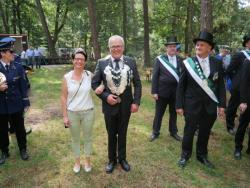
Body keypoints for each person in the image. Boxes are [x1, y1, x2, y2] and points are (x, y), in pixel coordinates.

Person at [92, 35, 142, 174]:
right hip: (109, 106)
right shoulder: (102, 63)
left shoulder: (131, 62)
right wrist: (105, 96)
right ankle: (111, 160)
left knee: (123, 132)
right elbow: (94, 83)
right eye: (113, 46)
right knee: (111, 134)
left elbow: (137, 84)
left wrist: (136, 102)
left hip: (126, 105)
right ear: (109, 48)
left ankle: (122, 159)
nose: (116, 49)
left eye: (118, 46)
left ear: (123, 47)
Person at [176, 31, 226, 168]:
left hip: (210, 105)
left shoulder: (217, 63)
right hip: (192, 105)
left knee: (204, 131)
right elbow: (181, 86)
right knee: (189, 131)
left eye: (201, 45)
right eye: (197, 45)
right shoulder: (188, 63)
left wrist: (222, 105)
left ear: (209, 48)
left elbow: (220, 86)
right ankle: (185, 155)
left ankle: (201, 155)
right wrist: (179, 105)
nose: (198, 47)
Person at [61, 48, 95, 173]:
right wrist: (65, 116)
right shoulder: (67, 77)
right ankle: (77, 162)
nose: (79, 61)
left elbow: (101, 83)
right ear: (73, 60)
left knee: (88, 138)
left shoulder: (89, 75)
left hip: (88, 112)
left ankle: (87, 161)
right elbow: (63, 97)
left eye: (82, 59)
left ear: (85, 61)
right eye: (77, 59)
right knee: (75, 138)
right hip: (72, 113)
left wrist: (102, 87)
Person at [0, 39, 30, 165]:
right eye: (10, 51)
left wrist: (25, 102)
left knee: (19, 128)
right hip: (1, 105)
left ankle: (23, 149)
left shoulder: (17, 67)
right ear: (2, 53)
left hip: (16, 104)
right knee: (1, 130)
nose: (13, 54)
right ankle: (4, 151)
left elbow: (23, 85)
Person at [150, 36, 182, 142]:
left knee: (174, 113)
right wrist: (154, 91)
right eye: (170, 46)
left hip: (175, 93)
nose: (172, 48)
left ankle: (173, 132)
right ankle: (155, 132)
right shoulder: (160, 60)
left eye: (174, 46)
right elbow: (155, 76)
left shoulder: (180, 60)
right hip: (162, 92)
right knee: (159, 113)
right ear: (166, 48)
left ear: (176, 48)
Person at [226, 34, 250, 135]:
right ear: (247, 43)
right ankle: (230, 125)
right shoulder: (240, 55)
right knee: (233, 106)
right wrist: (236, 80)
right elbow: (229, 70)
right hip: (238, 88)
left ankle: (244, 125)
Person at [234, 58, 250, 160]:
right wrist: (243, 101)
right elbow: (244, 82)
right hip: (248, 100)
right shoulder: (248, 61)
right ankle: (238, 148)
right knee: (243, 124)